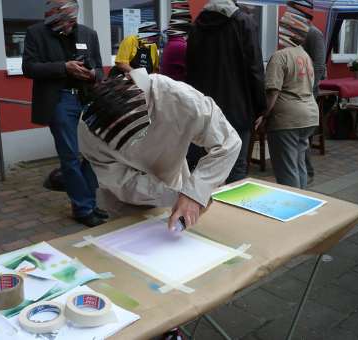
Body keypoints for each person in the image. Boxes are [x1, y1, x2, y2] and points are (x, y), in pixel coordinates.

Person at [78, 68, 241, 229]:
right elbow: (123, 182)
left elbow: (228, 142)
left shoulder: (176, 97)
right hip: (125, 200)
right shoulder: (88, 133)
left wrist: (196, 191)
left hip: (174, 179)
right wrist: (177, 196)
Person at [22, 0, 106, 227]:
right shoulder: (35, 33)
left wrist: (92, 74)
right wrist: (64, 67)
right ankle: (82, 209)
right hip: (60, 99)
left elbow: (100, 69)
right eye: (62, 20)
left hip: (87, 99)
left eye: (72, 19)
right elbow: (29, 68)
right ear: (52, 16)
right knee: (70, 155)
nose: (68, 25)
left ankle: (90, 202)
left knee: (92, 153)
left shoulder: (88, 34)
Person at [186, 0, 266, 183]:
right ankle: (232, 212)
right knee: (236, 170)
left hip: (203, 111)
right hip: (237, 110)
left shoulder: (196, 26)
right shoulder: (244, 22)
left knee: (201, 170)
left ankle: (201, 210)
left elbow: (189, 71)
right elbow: (255, 69)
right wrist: (260, 108)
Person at [255, 1, 319, 189]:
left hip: (287, 120)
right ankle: (303, 204)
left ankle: (293, 208)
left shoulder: (280, 56)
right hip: (309, 117)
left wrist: (263, 115)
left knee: (286, 170)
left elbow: (273, 91)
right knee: (299, 165)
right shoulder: (305, 55)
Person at [302, 24, 326, 182]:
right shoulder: (295, 32)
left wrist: (307, 90)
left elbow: (318, 66)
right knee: (300, 135)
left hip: (306, 93)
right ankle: (303, 170)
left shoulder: (313, 34)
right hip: (297, 92)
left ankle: (307, 172)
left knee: (302, 134)